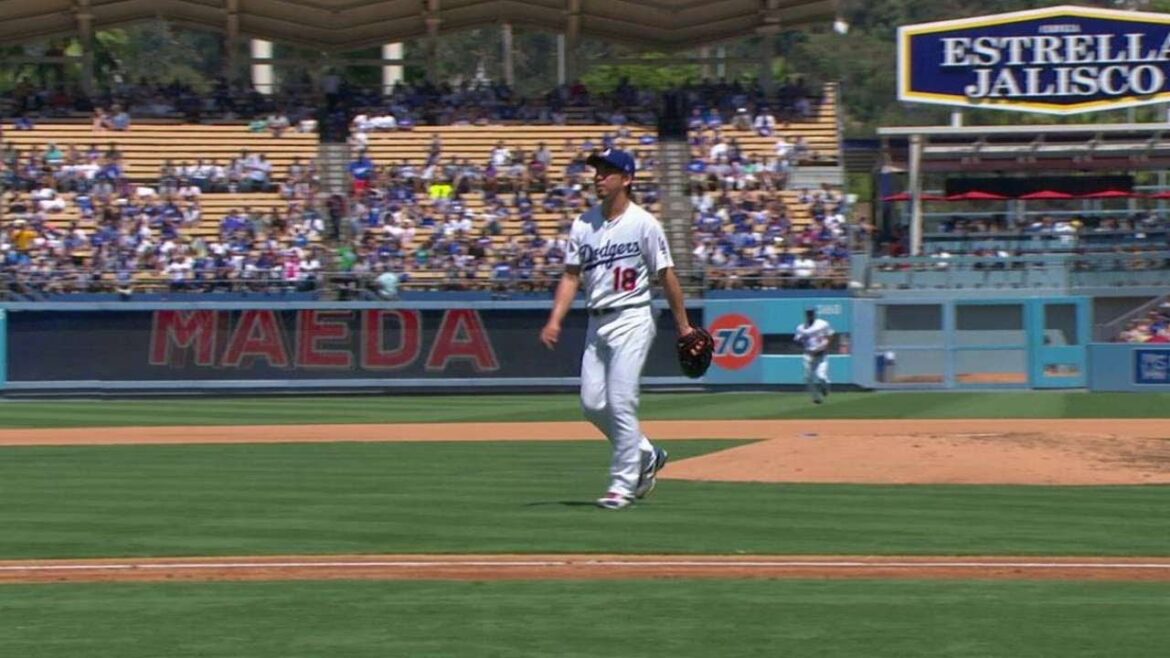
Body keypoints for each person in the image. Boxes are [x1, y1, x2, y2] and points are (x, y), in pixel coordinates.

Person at [539, 148, 697, 510]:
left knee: (621, 400)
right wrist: (555, 319)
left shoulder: (644, 223)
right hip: (596, 320)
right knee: (592, 404)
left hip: (632, 316)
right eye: (597, 170)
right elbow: (571, 276)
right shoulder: (583, 224)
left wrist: (684, 326)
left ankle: (622, 486)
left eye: (607, 171)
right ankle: (647, 454)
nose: (599, 176)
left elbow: (666, 274)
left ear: (627, 179)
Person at [794, 307, 834, 404]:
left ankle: (825, 387)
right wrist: (800, 340)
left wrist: (825, 346)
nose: (810, 315)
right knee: (808, 377)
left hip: (821, 355)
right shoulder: (801, 328)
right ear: (806, 315)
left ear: (814, 314)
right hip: (808, 355)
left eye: (811, 313)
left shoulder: (822, 324)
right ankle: (816, 398)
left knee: (821, 376)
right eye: (808, 314)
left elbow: (831, 335)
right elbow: (796, 341)